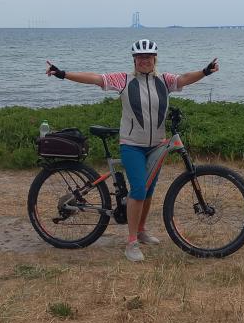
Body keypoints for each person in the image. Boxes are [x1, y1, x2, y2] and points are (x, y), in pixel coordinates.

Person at [45, 39, 218, 261]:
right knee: (138, 190)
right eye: (140, 57)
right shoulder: (124, 80)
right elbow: (95, 78)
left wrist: (205, 71)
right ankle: (131, 242)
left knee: (148, 190)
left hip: (156, 145)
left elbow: (185, 78)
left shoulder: (164, 81)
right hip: (132, 145)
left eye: (148, 57)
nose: (144, 60)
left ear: (154, 59)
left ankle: (141, 230)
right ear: (134, 60)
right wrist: (63, 74)